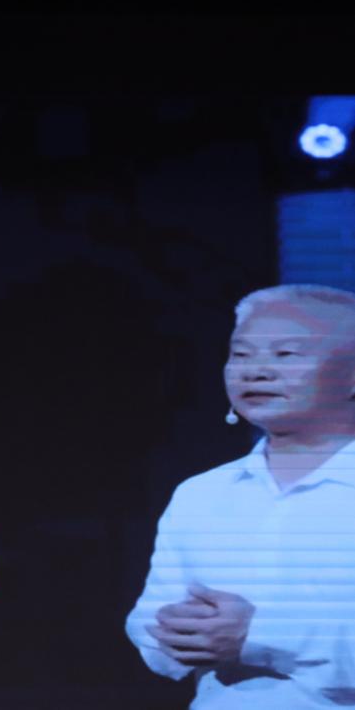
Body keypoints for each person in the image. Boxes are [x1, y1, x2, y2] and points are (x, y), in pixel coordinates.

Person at [126, 284, 355, 708]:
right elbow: (151, 622)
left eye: (286, 354)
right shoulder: (201, 494)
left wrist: (259, 636)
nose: (256, 371)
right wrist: (172, 631)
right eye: (241, 354)